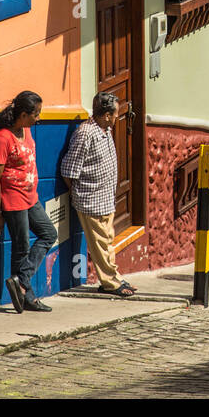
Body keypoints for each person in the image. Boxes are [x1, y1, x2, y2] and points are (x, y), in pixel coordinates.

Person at [60, 92, 136, 297]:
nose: (117, 117)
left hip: (106, 198)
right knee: (100, 244)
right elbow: (69, 170)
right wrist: (79, 192)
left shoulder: (106, 130)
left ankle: (114, 277)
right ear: (107, 114)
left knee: (108, 241)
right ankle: (110, 282)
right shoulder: (86, 133)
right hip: (90, 199)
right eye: (115, 113)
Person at [0, 89, 57, 313]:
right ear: (23, 114)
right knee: (22, 247)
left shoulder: (26, 131)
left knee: (49, 234)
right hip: (13, 198)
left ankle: (20, 279)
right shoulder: (1, 138)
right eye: (36, 114)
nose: (39, 118)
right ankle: (26, 295)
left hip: (31, 197)